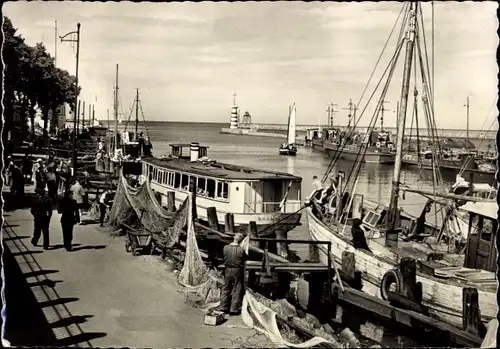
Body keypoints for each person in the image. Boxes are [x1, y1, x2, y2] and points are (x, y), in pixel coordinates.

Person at [219, 233, 247, 315]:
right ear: (241, 240)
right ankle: (233, 309)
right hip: (236, 270)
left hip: (227, 269)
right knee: (237, 288)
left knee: (226, 288)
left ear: (234, 238)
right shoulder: (241, 250)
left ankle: (223, 307)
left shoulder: (225, 248)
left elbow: (224, 256)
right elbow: (244, 258)